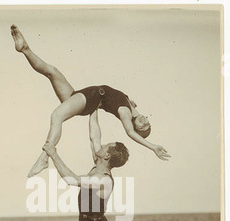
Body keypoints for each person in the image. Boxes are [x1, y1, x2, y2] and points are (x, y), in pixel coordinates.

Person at [10, 25, 171, 177]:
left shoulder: (125, 112)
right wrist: (128, 101)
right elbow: (121, 101)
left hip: (90, 98)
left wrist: (153, 147)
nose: (144, 121)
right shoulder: (129, 105)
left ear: (135, 127)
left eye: (142, 127)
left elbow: (129, 133)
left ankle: (45, 157)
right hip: (84, 95)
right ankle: (25, 49)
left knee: (56, 116)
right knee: (52, 72)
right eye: (148, 122)